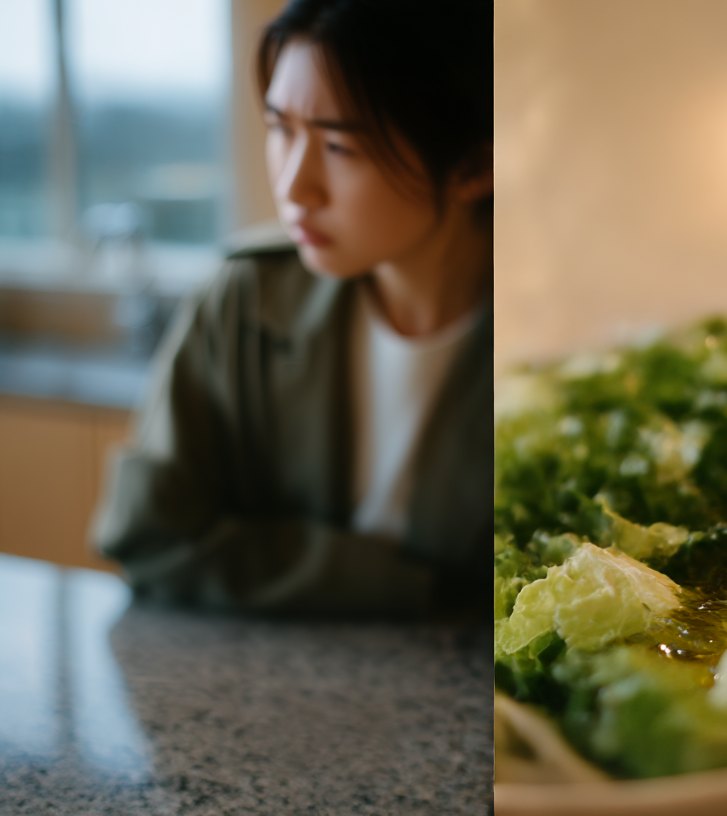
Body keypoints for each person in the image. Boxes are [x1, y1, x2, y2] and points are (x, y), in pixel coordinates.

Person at [91, 0, 490, 616]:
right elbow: (149, 536)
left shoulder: (557, 340)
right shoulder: (247, 294)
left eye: (338, 146)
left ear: (475, 165)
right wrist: (411, 587)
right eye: (281, 130)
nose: (294, 188)